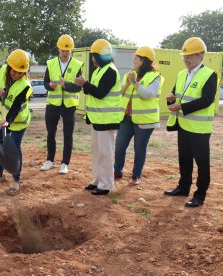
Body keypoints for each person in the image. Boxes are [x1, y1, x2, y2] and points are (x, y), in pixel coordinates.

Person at [164, 37, 218, 207]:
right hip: (183, 125)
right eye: (185, 56)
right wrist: (171, 100)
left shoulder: (210, 74)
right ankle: (183, 187)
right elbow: (174, 94)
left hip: (200, 128)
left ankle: (200, 195)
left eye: (191, 56)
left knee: (202, 163)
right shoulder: (181, 74)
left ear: (201, 55)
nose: (186, 59)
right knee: (184, 158)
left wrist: (182, 107)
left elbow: (207, 100)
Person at [74, 39, 122, 195]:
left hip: (107, 120)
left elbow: (100, 93)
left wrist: (84, 84)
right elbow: (92, 90)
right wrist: (85, 85)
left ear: (100, 56)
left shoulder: (110, 71)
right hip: (97, 119)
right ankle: (97, 180)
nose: (93, 59)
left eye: (94, 56)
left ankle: (106, 184)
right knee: (97, 152)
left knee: (105, 153)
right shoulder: (99, 70)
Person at [114, 47, 164, 185]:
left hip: (144, 121)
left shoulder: (155, 77)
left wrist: (135, 83)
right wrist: (129, 82)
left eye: (136, 58)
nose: (133, 60)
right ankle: (117, 170)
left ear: (144, 61)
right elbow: (119, 93)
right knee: (119, 145)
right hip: (126, 118)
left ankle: (136, 175)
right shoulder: (129, 75)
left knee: (139, 148)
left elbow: (148, 94)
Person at [0, 49, 33, 195]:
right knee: (0, 145)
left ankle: (16, 179)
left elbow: (15, 107)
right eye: (14, 71)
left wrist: (8, 121)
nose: (17, 75)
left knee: (14, 148)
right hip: (1, 117)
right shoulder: (2, 70)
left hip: (18, 121)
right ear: (9, 67)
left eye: (20, 73)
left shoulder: (26, 86)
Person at [40, 34, 83, 174]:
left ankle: (65, 163)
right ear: (58, 49)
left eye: (68, 50)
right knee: (50, 133)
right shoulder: (51, 63)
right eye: (63, 50)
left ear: (71, 50)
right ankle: (50, 160)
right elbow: (45, 82)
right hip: (53, 104)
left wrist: (66, 85)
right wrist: (50, 86)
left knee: (67, 134)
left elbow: (78, 87)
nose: (65, 53)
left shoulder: (77, 65)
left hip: (69, 105)